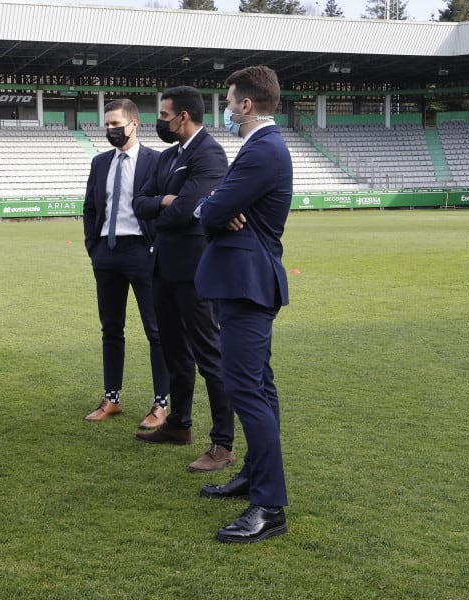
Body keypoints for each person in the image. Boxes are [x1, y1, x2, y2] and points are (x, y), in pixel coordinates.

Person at [195, 66, 293, 544]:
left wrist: (208, 208)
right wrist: (213, 207)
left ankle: (270, 507)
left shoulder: (263, 151)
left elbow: (212, 210)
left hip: (248, 285)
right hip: (244, 282)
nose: (227, 110)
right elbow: (216, 208)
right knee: (258, 387)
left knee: (247, 391)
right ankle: (256, 480)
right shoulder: (258, 148)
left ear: (247, 105)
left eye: (230, 101)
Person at [131, 86, 236, 473]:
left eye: (163, 115)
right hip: (163, 267)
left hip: (195, 272)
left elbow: (188, 211)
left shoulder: (210, 154)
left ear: (184, 117)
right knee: (175, 352)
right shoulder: (170, 156)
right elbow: (138, 201)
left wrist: (163, 205)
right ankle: (180, 425)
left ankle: (223, 443)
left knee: (210, 355)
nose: (160, 121)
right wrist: (162, 201)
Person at [82, 99, 170, 429]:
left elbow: (164, 210)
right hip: (107, 252)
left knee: (156, 329)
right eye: (106, 125)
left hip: (142, 252)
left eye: (115, 124)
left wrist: (154, 248)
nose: (109, 130)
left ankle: (161, 402)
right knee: (111, 328)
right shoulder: (99, 162)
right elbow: (91, 207)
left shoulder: (157, 162)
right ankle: (112, 398)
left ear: (134, 124)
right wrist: (93, 246)